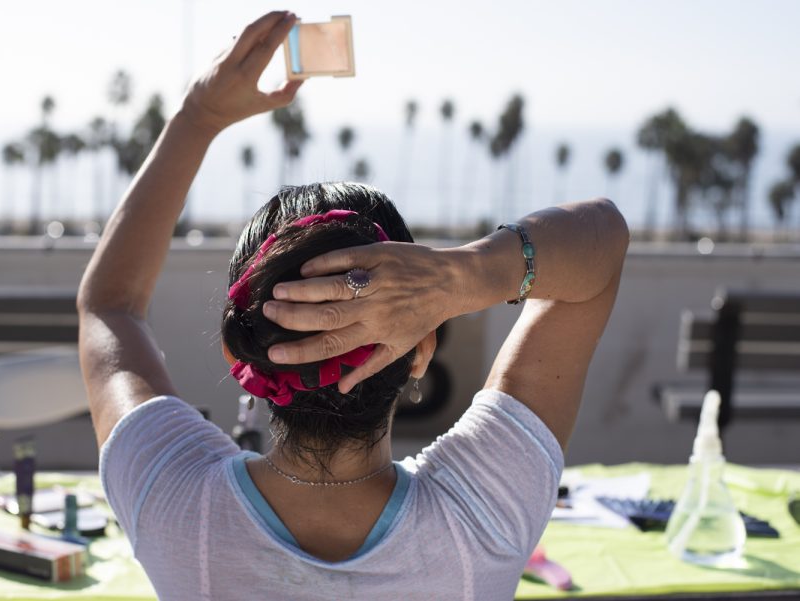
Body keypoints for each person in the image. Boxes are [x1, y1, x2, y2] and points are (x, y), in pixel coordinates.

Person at [77, 11, 629, 601]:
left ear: (241, 352)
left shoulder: (172, 501)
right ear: (422, 351)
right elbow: (602, 246)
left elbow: (109, 306)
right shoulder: (484, 512)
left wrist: (199, 117)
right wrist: (461, 274)